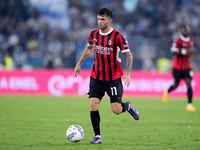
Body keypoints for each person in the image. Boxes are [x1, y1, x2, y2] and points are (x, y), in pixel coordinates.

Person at [74, 8, 139, 144]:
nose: (99, 22)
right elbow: (89, 48)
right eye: (98, 19)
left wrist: (127, 73)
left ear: (110, 20)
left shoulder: (118, 36)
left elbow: (128, 55)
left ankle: (127, 106)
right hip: (96, 76)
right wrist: (79, 63)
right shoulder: (93, 34)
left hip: (113, 78)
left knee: (116, 109)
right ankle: (98, 136)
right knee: (93, 104)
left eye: (102, 19)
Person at [162, 25, 198, 112]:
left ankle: (189, 105)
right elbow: (173, 52)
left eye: (187, 30)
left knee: (189, 84)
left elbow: (192, 51)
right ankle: (167, 91)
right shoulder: (178, 40)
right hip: (177, 67)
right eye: (184, 30)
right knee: (176, 85)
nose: (186, 31)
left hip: (187, 67)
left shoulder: (191, 40)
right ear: (181, 31)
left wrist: (193, 51)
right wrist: (183, 51)